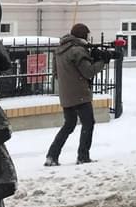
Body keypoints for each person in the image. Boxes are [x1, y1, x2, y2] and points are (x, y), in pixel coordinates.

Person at [44, 23, 107, 166]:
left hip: (66, 94)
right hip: (80, 94)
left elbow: (55, 74)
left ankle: (52, 155)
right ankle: (83, 156)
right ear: (83, 36)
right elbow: (88, 72)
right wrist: (103, 61)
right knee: (88, 123)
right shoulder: (77, 51)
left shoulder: (60, 49)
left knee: (69, 124)